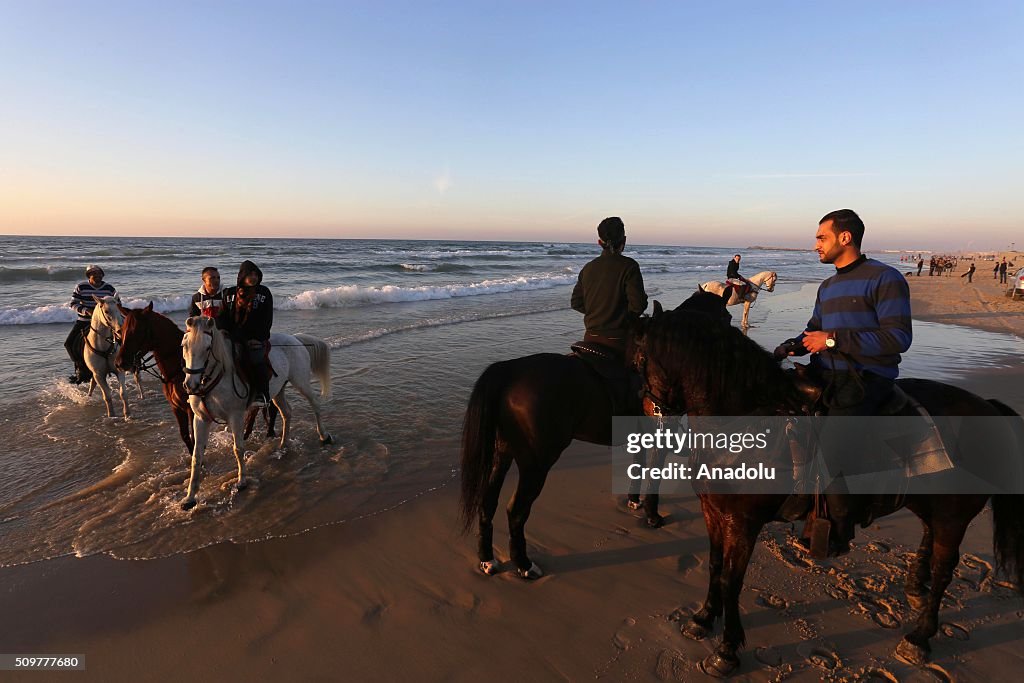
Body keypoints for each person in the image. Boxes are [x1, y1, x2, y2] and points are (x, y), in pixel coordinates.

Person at [773, 209, 912, 551]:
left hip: (866, 377)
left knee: (832, 452)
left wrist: (833, 340)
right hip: (824, 371)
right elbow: (814, 330)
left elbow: (898, 338)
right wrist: (795, 345)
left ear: (845, 237)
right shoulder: (828, 285)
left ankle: (837, 528)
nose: (815, 245)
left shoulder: (885, 278)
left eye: (821, 237)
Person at [570, 217, 648, 354]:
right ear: (624, 240)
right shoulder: (629, 266)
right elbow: (638, 305)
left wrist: (599, 312)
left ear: (599, 242)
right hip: (619, 340)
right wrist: (617, 316)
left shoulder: (588, 268)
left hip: (589, 338)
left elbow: (576, 303)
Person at [217, 260, 274, 406]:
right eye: (250, 274)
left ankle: (262, 394)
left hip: (255, 338)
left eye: (256, 274)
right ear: (242, 275)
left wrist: (259, 339)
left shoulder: (264, 293)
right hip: (232, 337)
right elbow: (222, 316)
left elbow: (267, 319)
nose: (253, 277)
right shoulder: (229, 293)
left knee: (256, 359)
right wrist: (222, 331)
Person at [65, 265, 117, 384]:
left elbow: (116, 304)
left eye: (100, 274)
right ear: (89, 276)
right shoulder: (81, 287)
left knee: (125, 337)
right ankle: (80, 368)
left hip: (106, 323)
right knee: (69, 343)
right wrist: (86, 311)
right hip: (84, 321)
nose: (98, 276)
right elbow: (73, 303)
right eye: (94, 274)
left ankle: (129, 363)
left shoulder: (109, 288)